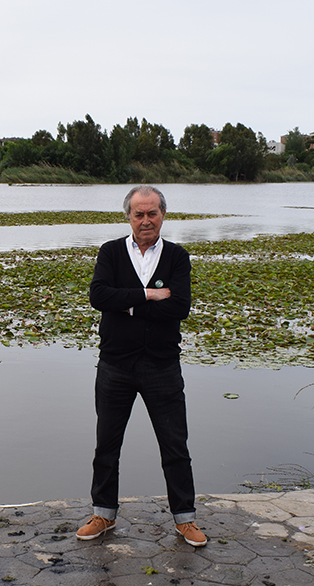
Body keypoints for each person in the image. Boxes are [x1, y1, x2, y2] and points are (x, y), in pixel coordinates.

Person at [76, 185, 206, 547]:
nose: (146, 220)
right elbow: (98, 297)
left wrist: (125, 303)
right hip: (115, 365)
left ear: (163, 215)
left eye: (152, 213)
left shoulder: (178, 257)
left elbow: (179, 307)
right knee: (107, 446)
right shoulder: (111, 252)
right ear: (128, 216)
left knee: (175, 446)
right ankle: (103, 514)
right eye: (139, 214)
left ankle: (185, 519)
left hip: (162, 366)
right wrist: (148, 295)